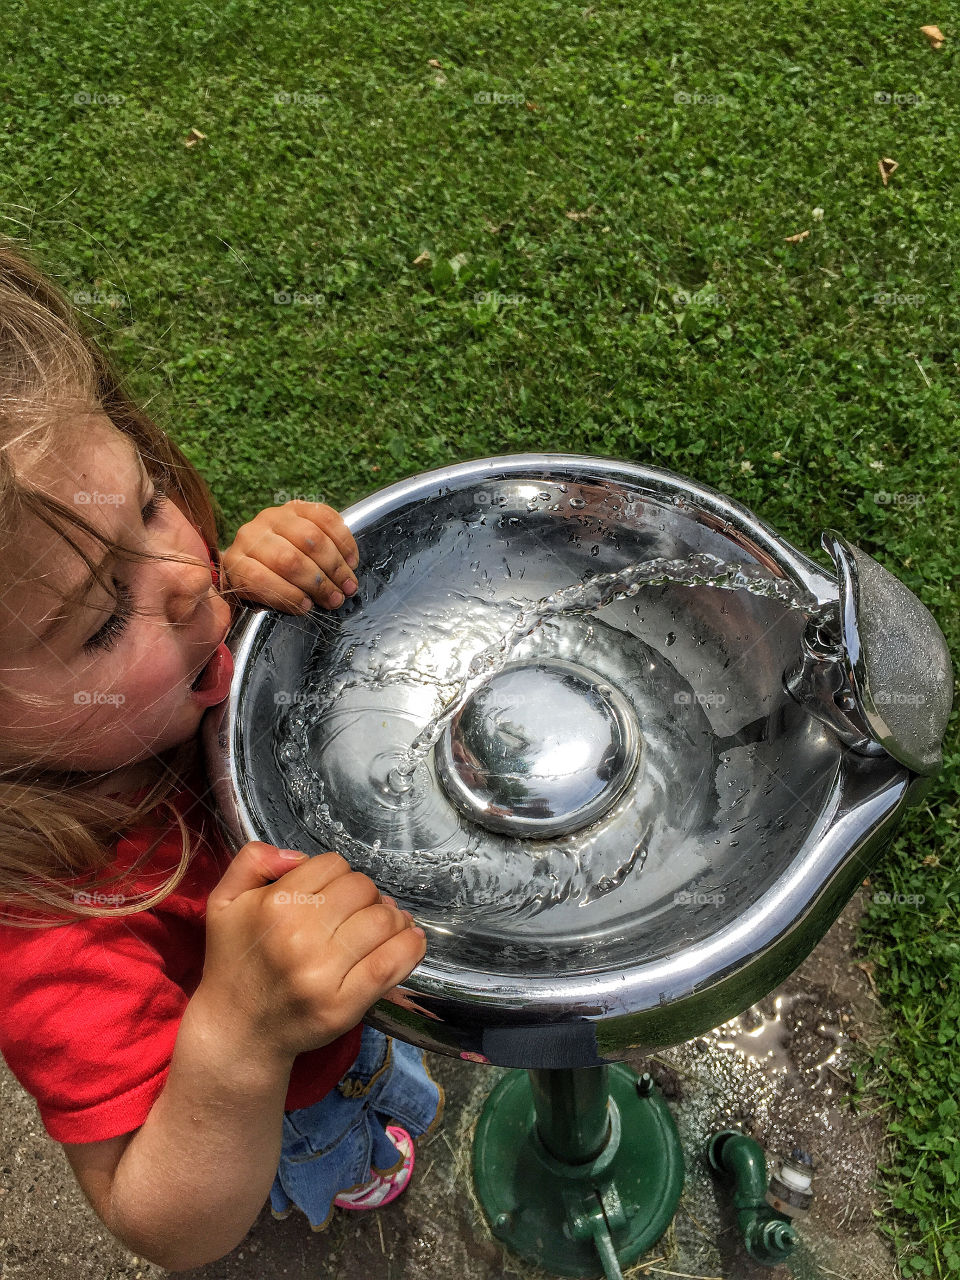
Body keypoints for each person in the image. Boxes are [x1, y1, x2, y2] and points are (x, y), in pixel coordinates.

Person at [0, 241, 443, 1270]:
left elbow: (209, 597)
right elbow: (158, 1215)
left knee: (379, 1060)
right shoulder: (53, 935)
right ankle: (350, 1168)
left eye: (150, 496)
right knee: (347, 1135)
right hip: (279, 1097)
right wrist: (240, 1041)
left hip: (350, 1007)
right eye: (104, 617)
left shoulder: (182, 620)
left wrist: (274, 570)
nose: (192, 584)